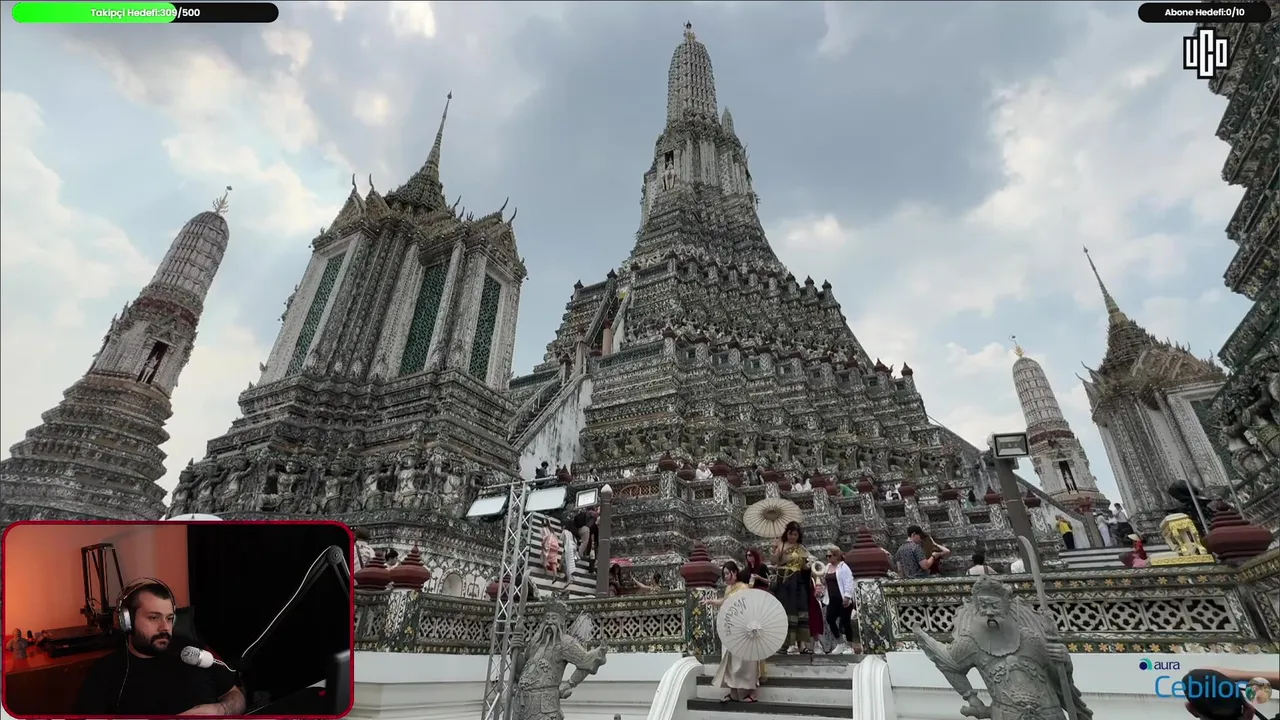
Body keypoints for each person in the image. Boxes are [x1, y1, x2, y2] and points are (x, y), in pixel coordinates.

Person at [74, 579, 246, 716]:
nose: (165, 627)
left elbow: (236, 696)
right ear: (126, 621)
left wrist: (221, 710)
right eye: (154, 618)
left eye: (169, 618)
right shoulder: (105, 672)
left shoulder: (192, 652)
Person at [701, 567, 761, 703]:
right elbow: (724, 601)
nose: (726, 577)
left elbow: (749, 607)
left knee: (747, 662)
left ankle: (752, 693)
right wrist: (711, 601)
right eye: (724, 574)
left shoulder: (744, 588)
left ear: (735, 573)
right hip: (730, 630)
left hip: (743, 629)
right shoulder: (729, 589)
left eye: (728, 573)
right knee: (730, 662)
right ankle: (733, 693)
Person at [771, 521, 816, 654]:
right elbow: (773, 562)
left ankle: (802, 644)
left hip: (798, 580)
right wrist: (774, 550)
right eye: (791, 534)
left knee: (801, 609)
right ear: (787, 533)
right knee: (786, 610)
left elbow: (803, 567)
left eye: (795, 534)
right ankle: (784, 645)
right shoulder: (781, 544)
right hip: (785, 581)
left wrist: (810, 565)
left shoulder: (801, 548)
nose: (793, 537)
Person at [823, 548, 855, 654]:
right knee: (830, 618)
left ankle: (849, 645)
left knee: (845, 622)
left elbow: (848, 581)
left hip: (842, 598)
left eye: (830, 556)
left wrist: (847, 596)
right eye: (827, 556)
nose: (828, 558)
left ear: (836, 556)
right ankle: (840, 642)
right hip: (832, 599)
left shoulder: (843, 567)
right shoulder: (827, 567)